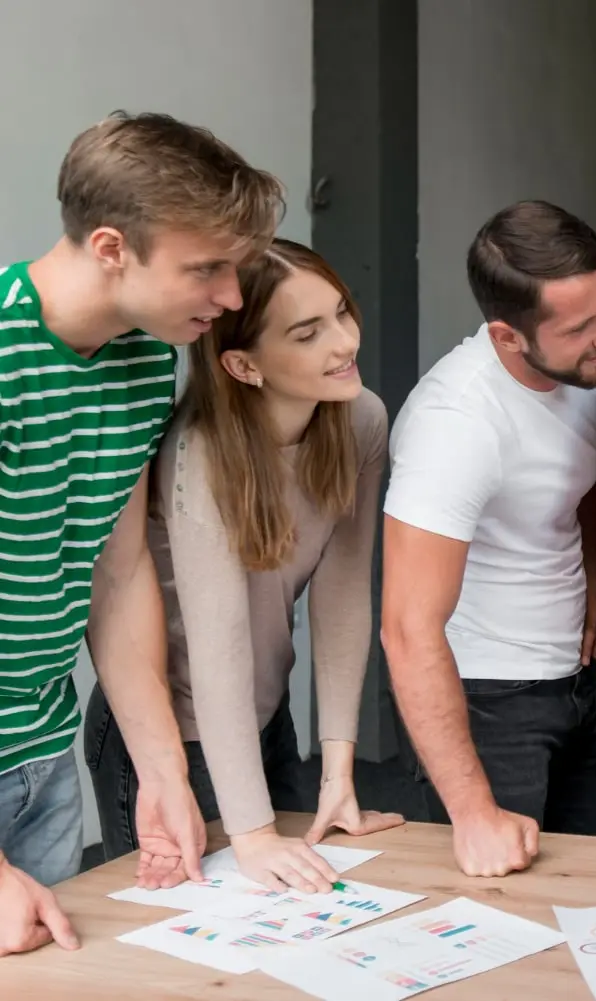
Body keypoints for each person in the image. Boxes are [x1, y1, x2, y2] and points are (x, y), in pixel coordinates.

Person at [0, 111, 284, 955]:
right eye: (207, 270)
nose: (232, 299)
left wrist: (161, 767)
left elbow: (118, 574)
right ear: (111, 245)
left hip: (43, 757)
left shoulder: (143, 357)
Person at [84, 239, 404, 894]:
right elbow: (217, 644)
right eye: (308, 332)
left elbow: (344, 596)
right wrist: (253, 834)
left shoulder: (360, 418)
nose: (344, 343)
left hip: (264, 713)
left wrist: (338, 770)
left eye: (343, 312)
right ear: (243, 364)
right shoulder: (201, 455)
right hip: (178, 731)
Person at [382, 201, 596, 879]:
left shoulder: (581, 371)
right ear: (508, 336)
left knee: (593, 895)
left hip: (577, 680)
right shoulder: (454, 424)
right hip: (487, 701)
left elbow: (576, 489)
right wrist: (475, 812)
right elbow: (406, 627)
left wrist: (594, 586)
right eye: (582, 326)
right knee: (497, 914)